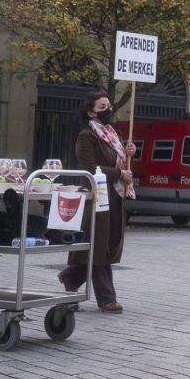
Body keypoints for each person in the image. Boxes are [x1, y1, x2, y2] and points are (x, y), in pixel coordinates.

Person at [57, 90, 135, 313]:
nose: (108, 110)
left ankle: (71, 277)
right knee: (100, 244)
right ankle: (107, 298)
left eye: (109, 105)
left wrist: (129, 152)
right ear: (91, 112)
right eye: (103, 107)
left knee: (107, 242)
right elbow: (90, 168)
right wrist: (119, 174)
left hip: (115, 195)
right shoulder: (86, 136)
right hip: (97, 195)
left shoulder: (112, 134)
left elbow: (120, 160)